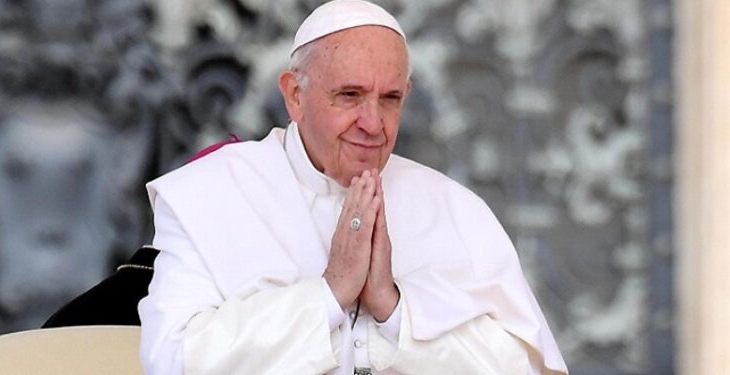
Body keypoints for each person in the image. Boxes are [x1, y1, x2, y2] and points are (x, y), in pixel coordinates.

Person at [138, 1, 568, 374]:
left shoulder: (456, 210)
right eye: (350, 95)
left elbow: (525, 367)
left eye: (390, 98)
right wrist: (329, 294)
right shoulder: (211, 196)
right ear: (295, 95)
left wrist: (395, 311)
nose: (373, 124)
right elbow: (173, 361)